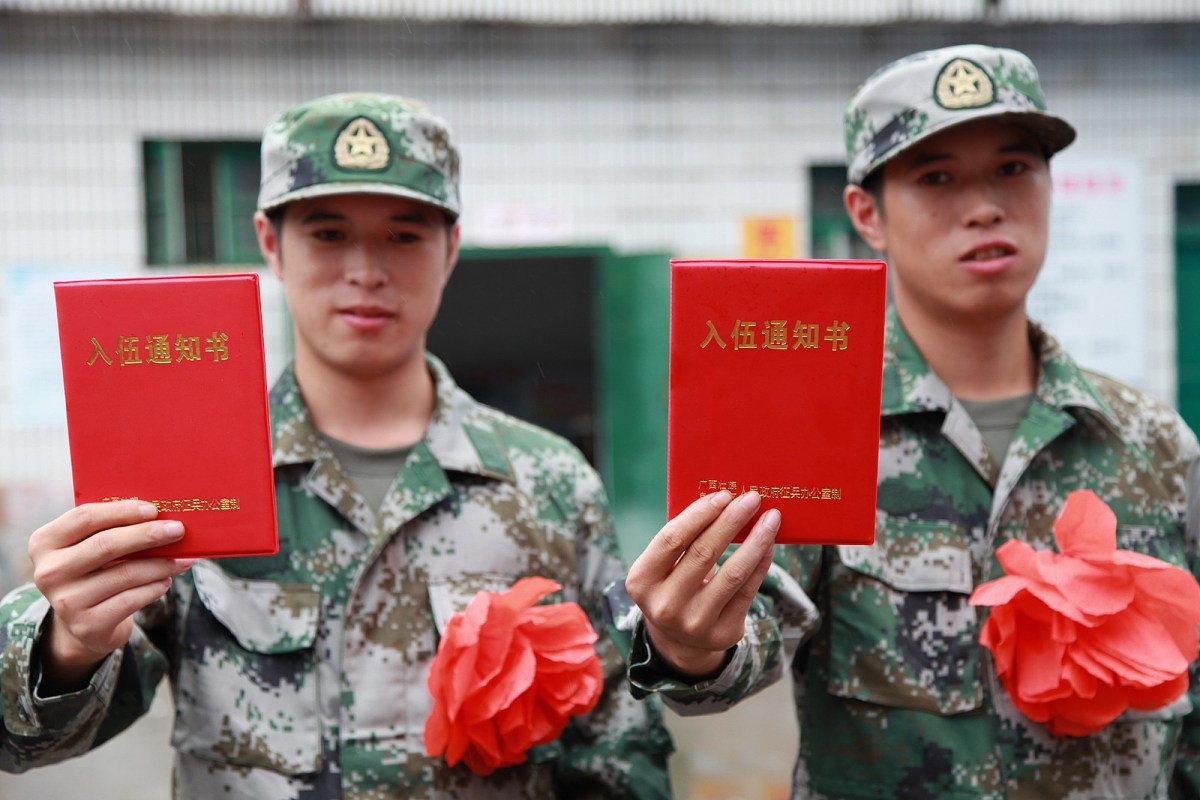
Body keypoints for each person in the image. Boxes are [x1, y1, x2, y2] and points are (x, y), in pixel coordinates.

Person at [0, 92, 673, 798]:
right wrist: (64, 642)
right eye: (327, 234)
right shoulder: (192, 479)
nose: (365, 271)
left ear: (451, 249)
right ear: (270, 243)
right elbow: (27, 735)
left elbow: (619, 747)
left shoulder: (548, 482)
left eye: (404, 235)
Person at [610, 44, 1200, 797]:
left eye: (1014, 168)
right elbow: (745, 635)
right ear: (867, 214)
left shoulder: (1151, 444)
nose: (984, 205)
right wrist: (687, 646)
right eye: (937, 177)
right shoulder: (814, 427)